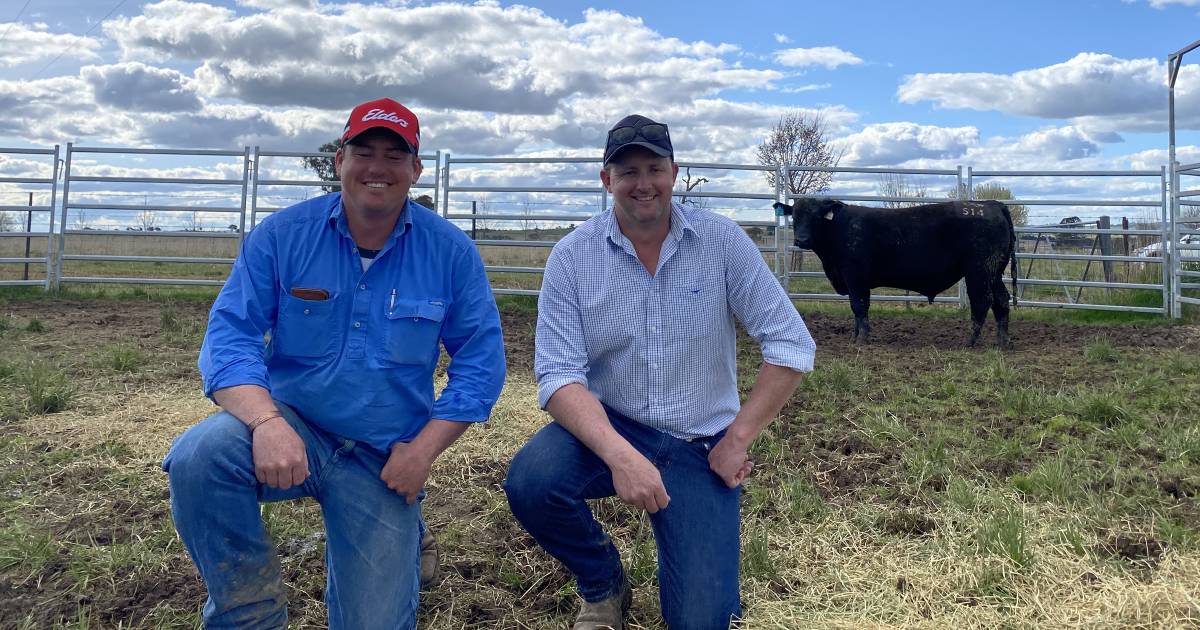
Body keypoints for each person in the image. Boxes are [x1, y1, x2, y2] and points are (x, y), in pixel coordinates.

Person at [163, 97, 506, 630]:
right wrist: (266, 422)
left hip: (384, 453)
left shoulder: (451, 253)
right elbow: (231, 336)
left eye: (395, 156)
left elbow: (481, 365)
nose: (377, 167)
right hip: (293, 426)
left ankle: (406, 528)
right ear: (338, 161)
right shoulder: (282, 237)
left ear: (416, 170)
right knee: (199, 457)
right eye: (363, 151)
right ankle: (249, 610)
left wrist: (422, 452)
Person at [503, 114, 817, 629]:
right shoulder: (572, 256)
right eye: (627, 171)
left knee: (701, 621)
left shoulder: (722, 243)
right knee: (532, 483)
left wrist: (737, 439)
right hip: (611, 425)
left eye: (654, 168)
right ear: (607, 180)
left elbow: (790, 344)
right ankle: (603, 583)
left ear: (674, 173)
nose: (642, 183)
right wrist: (621, 456)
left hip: (700, 442)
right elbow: (559, 376)